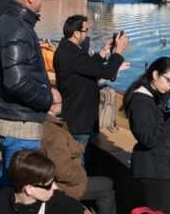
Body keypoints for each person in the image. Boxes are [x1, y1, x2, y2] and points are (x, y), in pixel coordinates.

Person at [0, 0, 54, 188]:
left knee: (8, 178)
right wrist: (46, 99)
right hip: (21, 122)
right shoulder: (18, 30)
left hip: (13, 117)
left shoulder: (7, 23)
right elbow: (17, 81)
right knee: (19, 188)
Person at [53, 14, 129, 165]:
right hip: (79, 120)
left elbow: (87, 66)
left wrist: (102, 53)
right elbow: (107, 73)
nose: (88, 33)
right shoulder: (72, 54)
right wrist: (119, 51)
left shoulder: (68, 49)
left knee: (84, 159)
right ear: (76, 33)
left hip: (79, 116)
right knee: (78, 163)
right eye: (86, 30)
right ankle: (79, 187)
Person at [41, 87, 117, 214]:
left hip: (47, 181)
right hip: (62, 187)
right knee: (107, 186)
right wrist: (81, 175)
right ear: (52, 107)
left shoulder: (40, 123)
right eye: (60, 103)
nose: (63, 105)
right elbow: (63, 172)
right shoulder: (55, 135)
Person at [122, 57, 170, 214]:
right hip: (153, 172)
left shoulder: (154, 96)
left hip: (160, 167)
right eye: (169, 80)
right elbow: (147, 138)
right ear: (155, 74)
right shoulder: (140, 102)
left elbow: (167, 131)